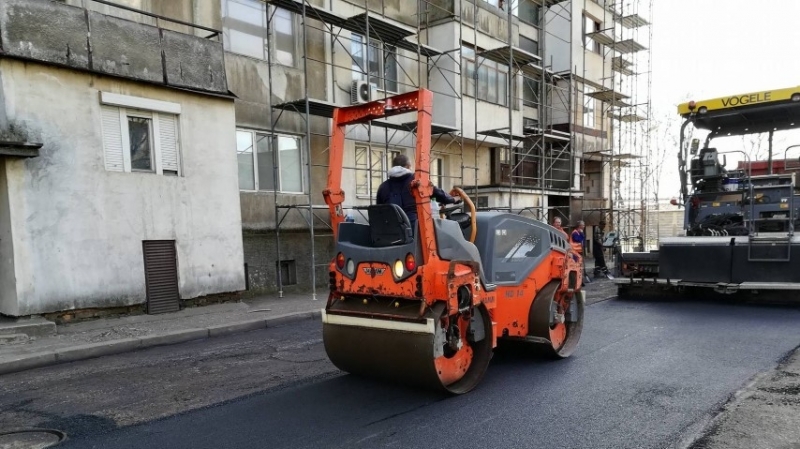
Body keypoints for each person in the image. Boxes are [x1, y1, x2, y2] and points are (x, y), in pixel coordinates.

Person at [376, 154, 458, 230]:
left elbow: (379, 210)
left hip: (391, 231)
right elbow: (438, 194)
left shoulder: (383, 187)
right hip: (414, 229)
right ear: (408, 166)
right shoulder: (417, 181)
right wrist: (453, 199)